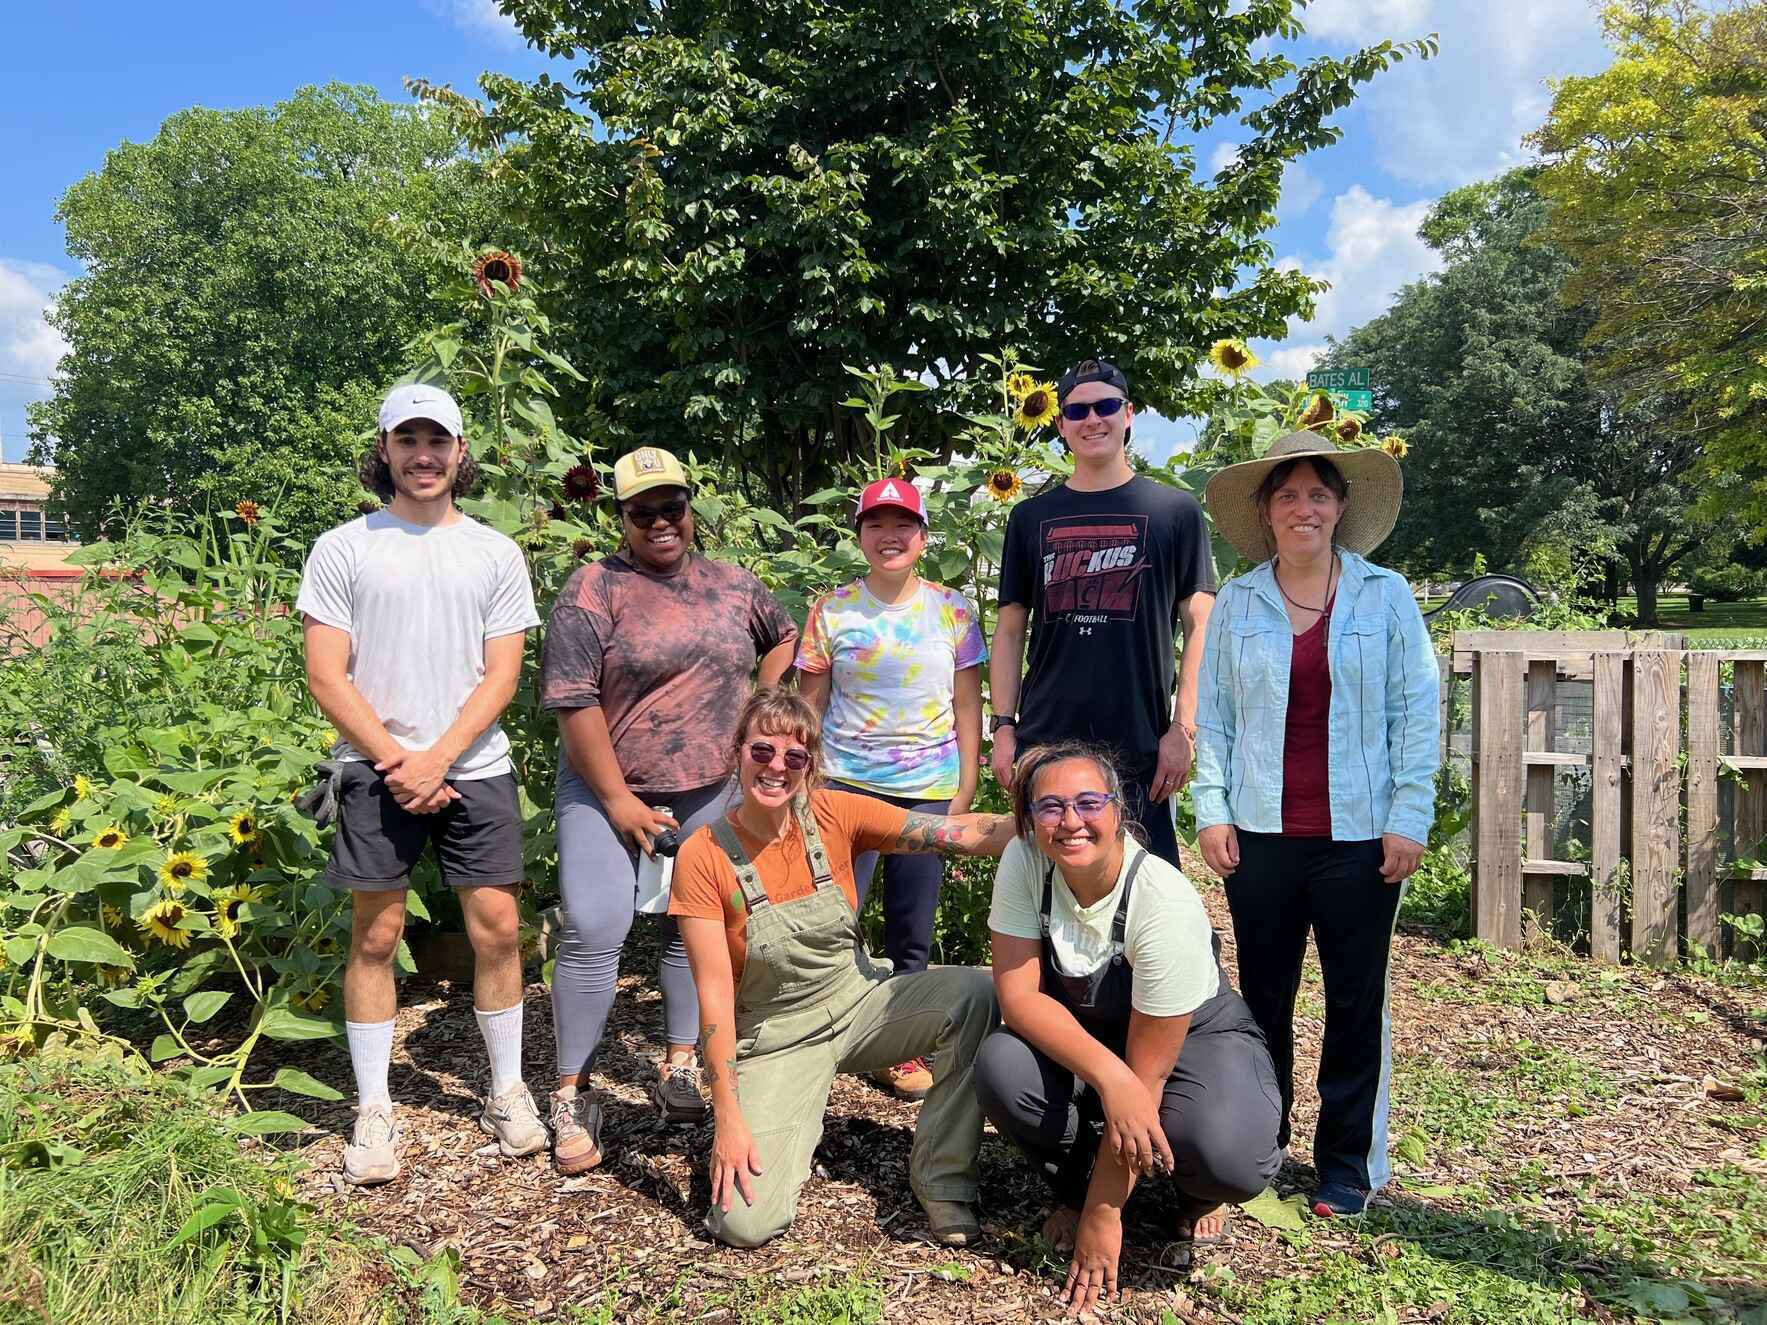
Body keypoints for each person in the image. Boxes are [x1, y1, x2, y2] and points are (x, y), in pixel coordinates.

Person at [298, 383, 544, 1186]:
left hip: (475, 766)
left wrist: (439, 756)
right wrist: (403, 761)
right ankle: (374, 1108)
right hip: (374, 771)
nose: (423, 454)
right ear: (384, 452)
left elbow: (502, 674)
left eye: (437, 440)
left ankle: (506, 1088)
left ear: (460, 452)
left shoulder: (495, 552)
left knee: (499, 929)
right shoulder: (345, 548)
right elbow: (327, 675)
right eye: (407, 440)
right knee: (376, 935)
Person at [1192, 430, 1440, 1219]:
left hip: (1361, 837)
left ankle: (1344, 1166)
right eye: (1287, 495)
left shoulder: (1385, 595)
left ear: (1340, 510)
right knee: (1261, 1000)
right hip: (1260, 835)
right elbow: (1215, 716)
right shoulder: (1237, 601)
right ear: (1265, 513)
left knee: (1354, 1000)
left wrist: (1408, 815)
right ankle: (1258, 1147)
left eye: (1318, 494)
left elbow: (1416, 711)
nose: (1304, 507)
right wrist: (1212, 808)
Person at [669, 688, 1016, 1249]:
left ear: (811, 767)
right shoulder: (704, 855)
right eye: (762, 751)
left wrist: (1043, 818)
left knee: (976, 995)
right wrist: (726, 1116)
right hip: (775, 1036)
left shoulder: (834, 815)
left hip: (860, 1003)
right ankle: (790, 1113)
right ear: (737, 752)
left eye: (795, 757)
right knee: (744, 1225)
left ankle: (942, 1180)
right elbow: (713, 999)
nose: (777, 767)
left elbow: (955, 834)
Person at [539, 446, 798, 1174]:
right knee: (595, 926)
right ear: (619, 517)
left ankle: (679, 1063)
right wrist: (618, 799)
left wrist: (761, 706)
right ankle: (570, 1090)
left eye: (671, 507)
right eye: (641, 511)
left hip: (709, 784)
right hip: (605, 785)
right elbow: (573, 698)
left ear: (692, 508)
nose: (660, 522)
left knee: (695, 926)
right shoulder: (594, 588)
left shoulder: (732, 585)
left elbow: (784, 638)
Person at [974, 742, 1282, 1314]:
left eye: (1089, 802)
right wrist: (1110, 1079)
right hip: (1100, 1038)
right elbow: (1018, 998)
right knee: (1002, 1067)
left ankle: (1193, 1196)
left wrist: (1104, 1217)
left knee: (1225, 1154)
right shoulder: (1025, 861)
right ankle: (1074, 1186)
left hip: (1189, 1039)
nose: (1071, 822)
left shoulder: (1161, 898)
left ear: (1119, 810)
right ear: (1030, 819)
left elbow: (1148, 1075)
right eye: (1050, 807)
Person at [797, 476, 987, 1100]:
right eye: (876, 524)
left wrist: (962, 791)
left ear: (923, 537)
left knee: (913, 923)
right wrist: (804, 782)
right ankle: (820, 1029)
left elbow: (967, 705)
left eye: (902, 524)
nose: (890, 536)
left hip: (926, 787)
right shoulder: (832, 610)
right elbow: (811, 703)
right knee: (833, 914)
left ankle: (902, 1046)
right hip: (845, 786)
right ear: (860, 536)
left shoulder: (952, 610)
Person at [991, 358, 1216, 868]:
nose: (1093, 419)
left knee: (1148, 895)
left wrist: (1182, 730)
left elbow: (1201, 624)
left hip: (1140, 745)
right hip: (1045, 742)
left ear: (1129, 414)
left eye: (1106, 406)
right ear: (1060, 423)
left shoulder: (1174, 511)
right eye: (1077, 410)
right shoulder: (1030, 518)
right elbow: (1009, 631)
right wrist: (1004, 728)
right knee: (1046, 894)